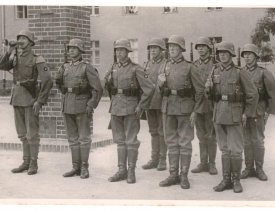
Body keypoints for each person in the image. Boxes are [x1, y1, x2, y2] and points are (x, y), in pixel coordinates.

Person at [205, 41, 258, 193]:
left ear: (231, 55)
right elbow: (210, 95)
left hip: (235, 115)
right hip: (219, 113)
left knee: (235, 150)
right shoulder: (214, 71)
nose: (222, 55)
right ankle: (226, 179)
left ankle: (236, 180)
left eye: (225, 53)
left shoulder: (240, 72)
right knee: (224, 149)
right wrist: (207, 89)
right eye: (220, 53)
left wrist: (246, 113)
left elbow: (253, 94)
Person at [0, 30, 53, 175]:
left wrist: (40, 101)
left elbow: (48, 81)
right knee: (22, 133)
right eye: (19, 38)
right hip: (17, 97)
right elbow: (2, 66)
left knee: (32, 134)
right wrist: (9, 49)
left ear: (30, 42)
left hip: (30, 98)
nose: (21, 41)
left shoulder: (37, 58)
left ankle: (34, 163)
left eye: (24, 38)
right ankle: (25, 161)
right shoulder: (15, 55)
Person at [158, 35, 205, 189]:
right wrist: (160, 84)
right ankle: (173, 174)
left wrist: (196, 111)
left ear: (181, 49)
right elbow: (159, 89)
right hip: (168, 107)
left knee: (185, 142)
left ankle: (184, 175)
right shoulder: (165, 65)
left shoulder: (190, 67)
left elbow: (200, 91)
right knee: (171, 141)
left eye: (175, 47)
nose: (171, 49)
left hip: (185, 109)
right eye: (170, 47)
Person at [105, 38, 154, 184]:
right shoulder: (113, 67)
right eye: (117, 50)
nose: (119, 53)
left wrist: (141, 105)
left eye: (122, 50)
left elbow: (150, 88)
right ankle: (121, 170)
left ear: (128, 52)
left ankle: (131, 171)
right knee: (119, 140)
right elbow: (108, 86)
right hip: (116, 107)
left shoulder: (135, 68)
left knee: (131, 141)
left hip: (131, 108)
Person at [56, 38, 103, 179]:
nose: (71, 51)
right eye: (69, 48)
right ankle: (75, 166)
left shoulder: (87, 67)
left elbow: (98, 89)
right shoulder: (65, 67)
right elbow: (59, 83)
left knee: (83, 138)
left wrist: (91, 104)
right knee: (72, 138)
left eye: (74, 48)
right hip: (68, 105)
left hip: (82, 106)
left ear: (81, 51)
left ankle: (84, 167)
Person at [240, 44, 275, 181]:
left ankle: (259, 168)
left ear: (255, 56)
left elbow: (271, 93)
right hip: (244, 112)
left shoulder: (263, 72)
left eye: (250, 54)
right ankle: (248, 168)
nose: (247, 57)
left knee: (258, 140)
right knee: (246, 141)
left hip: (259, 111)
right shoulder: (240, 72)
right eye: (245, 54)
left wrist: (268, 111)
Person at [191, 36, 218, 175]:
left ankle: (212, 163)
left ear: (209, 48)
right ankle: (203, 162)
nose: (200, 49)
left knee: (211, 135)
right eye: (198, 47)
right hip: (197, 105)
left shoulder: (216, 65)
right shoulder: (193, 65)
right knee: (201, 135)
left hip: (210, 104)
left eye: (203, 46)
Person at [142, 38, 167, 171]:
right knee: (153, 132)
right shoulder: (146, 64)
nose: (152, 50)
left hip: (162, 102)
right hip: (149, 103)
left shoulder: (166, 63)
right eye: (151, 48)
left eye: (155, 48)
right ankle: (154, 159)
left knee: (162, 132)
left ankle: (162, 160)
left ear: (162, 50)